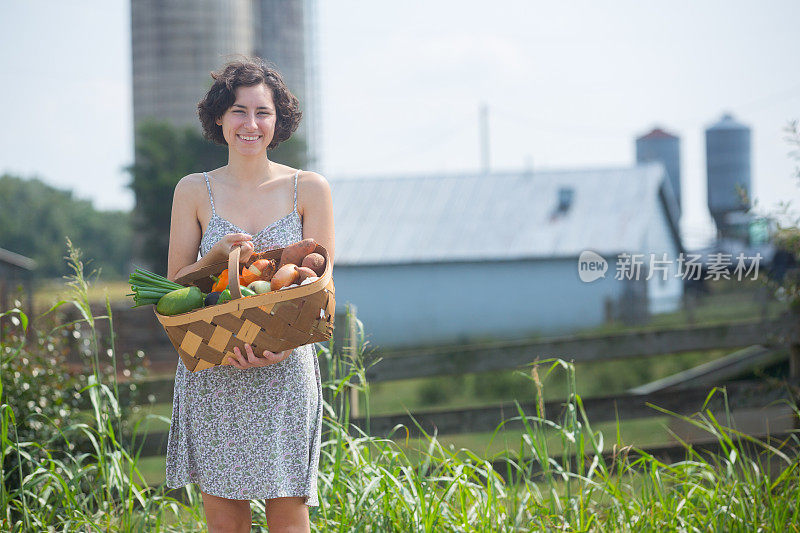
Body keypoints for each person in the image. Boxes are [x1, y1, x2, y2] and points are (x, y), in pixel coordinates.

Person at [164, 57, 334, 533]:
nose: (250, 124)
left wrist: (279, 348)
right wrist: (214, 259)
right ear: (219, 117)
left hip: (285, 369)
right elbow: (176, 288)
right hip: (215, 366)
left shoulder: (310, 189)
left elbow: (322, 288)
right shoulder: (193, 191)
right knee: (224, 519)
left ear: (278, 122)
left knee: (289, 514)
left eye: (263, 112)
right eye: (239, 111)